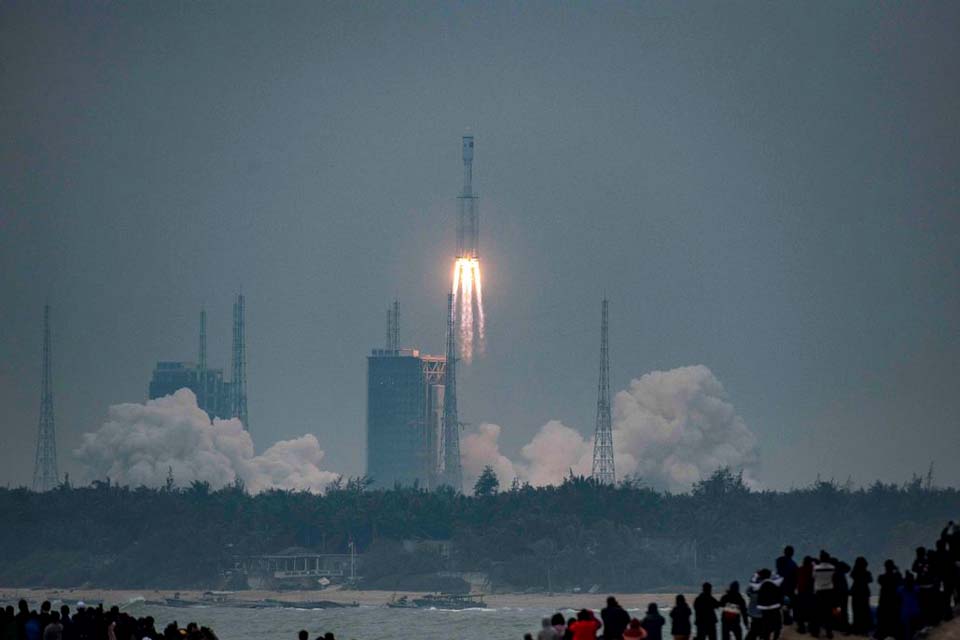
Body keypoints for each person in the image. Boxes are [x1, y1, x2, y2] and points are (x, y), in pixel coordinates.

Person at [811, 551, 836, 639]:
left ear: (820, 558)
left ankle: (816, 632)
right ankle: (829, 632)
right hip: (829, 591)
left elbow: (813, 576)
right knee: (828, 612)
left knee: (817, 612)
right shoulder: (832, 567)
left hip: (819, 591)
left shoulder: (816, 568)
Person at [876, 560, 902, 640]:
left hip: (884, 601)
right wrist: (897, 570)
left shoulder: (882, 577)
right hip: (893, 601)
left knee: (884, 619)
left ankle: (883, 634)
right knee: (893, 619)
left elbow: (880, 581)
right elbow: (900, 580)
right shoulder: (896, 577)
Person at [756, 570, 785, 640]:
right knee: (777, 625)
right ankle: (775, 637)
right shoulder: (774, 585)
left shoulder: (760, 586)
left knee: (766, 626)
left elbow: (759, 599)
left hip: (764, 609)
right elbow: (780, 595)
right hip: (775, 607)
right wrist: (780, 604)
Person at [849, 557, 872, 635]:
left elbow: (851, 575)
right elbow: (870, 580)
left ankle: (857, 628)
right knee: (864, 611)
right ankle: (864, 629)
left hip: (856, 593)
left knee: (856, 611)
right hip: (864, 593)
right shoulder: (867, 573)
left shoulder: (855, 572)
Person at [776, 547, 798, 626]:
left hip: (780, 585)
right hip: (789, 586)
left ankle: (785, 618)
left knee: (784, 602)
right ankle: (789, 618)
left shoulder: (779, 561)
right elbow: (795, 576)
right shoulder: (793, 564)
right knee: (791, 603)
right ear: (792, 553)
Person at [795, 556, 815, 635]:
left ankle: (801, 628)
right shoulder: (813, 569)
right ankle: (811, 627)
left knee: (800, 610)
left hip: (801, 592)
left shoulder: (800, 569)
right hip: (810, 592)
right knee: (811, 610)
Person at [898, 572, 921, 640]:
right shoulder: (916, 588)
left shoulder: (901, 589)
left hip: (905, 611)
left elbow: (898, 590)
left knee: (906, 630)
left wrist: (902, 579)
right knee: (913, 629)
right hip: (914, 610)